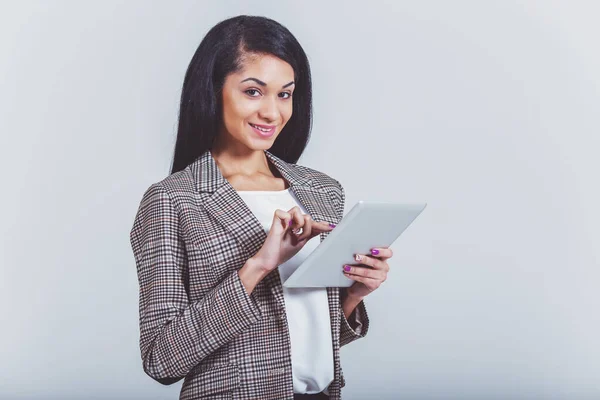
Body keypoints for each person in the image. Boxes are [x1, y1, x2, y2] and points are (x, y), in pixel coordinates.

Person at [129, 15, 393, 400]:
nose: (273, 112)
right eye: (253, 91)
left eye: (284, 94)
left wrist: (352, 296)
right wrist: (257, 267)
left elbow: (300, 338)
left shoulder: (322, 191)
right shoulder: (173, 201)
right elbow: (161, 359)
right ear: (213, 91)